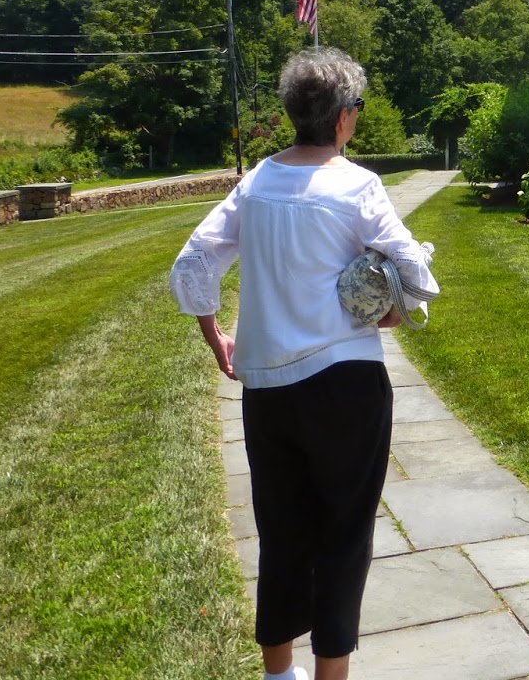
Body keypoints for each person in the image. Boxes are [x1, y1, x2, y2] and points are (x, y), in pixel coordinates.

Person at [169, 48, 438, 680]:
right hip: (346, 385)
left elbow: (194, 261)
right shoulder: (358, 185)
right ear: (343, 117)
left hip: (268, 389)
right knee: (344, 535)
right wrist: (394, 314)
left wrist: (216, 337)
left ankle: (277, 672)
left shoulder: (255, 184)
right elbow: (413, 269)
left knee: (282, 531)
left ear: (295, 113)